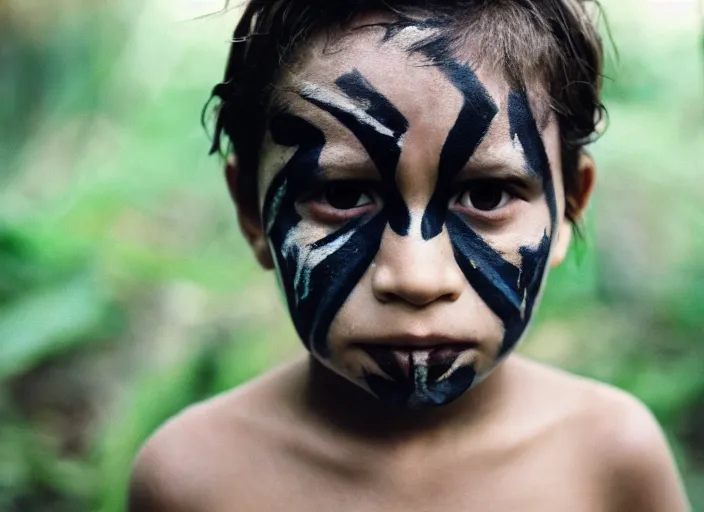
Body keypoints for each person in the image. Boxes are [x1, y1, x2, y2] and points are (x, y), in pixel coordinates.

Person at [128, 1, 690, 510]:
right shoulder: (189, 478)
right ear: (251, 211)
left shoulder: (612, 459)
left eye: (487, 195)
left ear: (568, 206)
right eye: (342, 195)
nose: (417, 278)